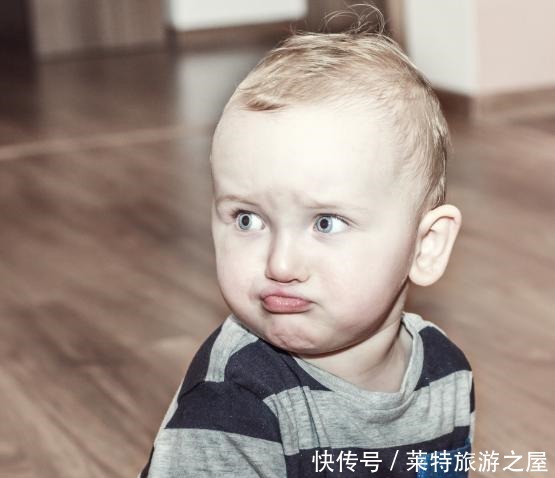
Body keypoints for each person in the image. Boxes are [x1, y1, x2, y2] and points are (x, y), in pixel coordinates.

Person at [140, 18, 475, 478]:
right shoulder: (232, 403)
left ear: (425, 246)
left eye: (325, 223)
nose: (280, 264)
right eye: (247, 219)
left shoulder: (446, 374)